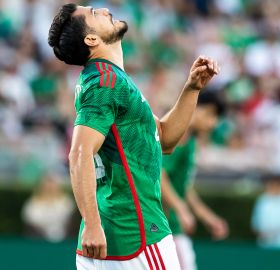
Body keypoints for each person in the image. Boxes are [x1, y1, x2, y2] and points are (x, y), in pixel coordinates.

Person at [47, 4, 219, 270]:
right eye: (93, 13)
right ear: (91, 39)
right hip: (135, 234)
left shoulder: (111, 80)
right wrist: (92, 224)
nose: (104, 9)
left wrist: (192, 88)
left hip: (121, 234)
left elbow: (165, 139)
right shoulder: (105, 82)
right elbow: (80, 153)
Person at [161, 91, 229, 270]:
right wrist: (181, 209)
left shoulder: (189, 137)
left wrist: (207, 217)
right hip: (164, 227)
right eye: (209, 114)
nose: (212, 123)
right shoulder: (178, 134)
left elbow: (183, 186)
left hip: (169, 226)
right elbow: (158, 176)